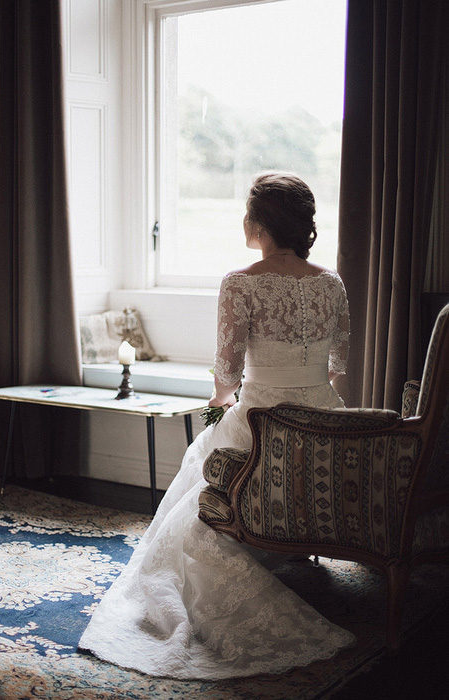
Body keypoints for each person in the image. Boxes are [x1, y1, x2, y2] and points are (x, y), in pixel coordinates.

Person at [79, 172, 355, 679]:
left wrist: (219, 405)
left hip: (263, 418)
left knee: (199, 475)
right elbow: (339, 365)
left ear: (259, 222)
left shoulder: (241, 282)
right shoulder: (330, 282)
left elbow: (226, 377)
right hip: (322, 420)